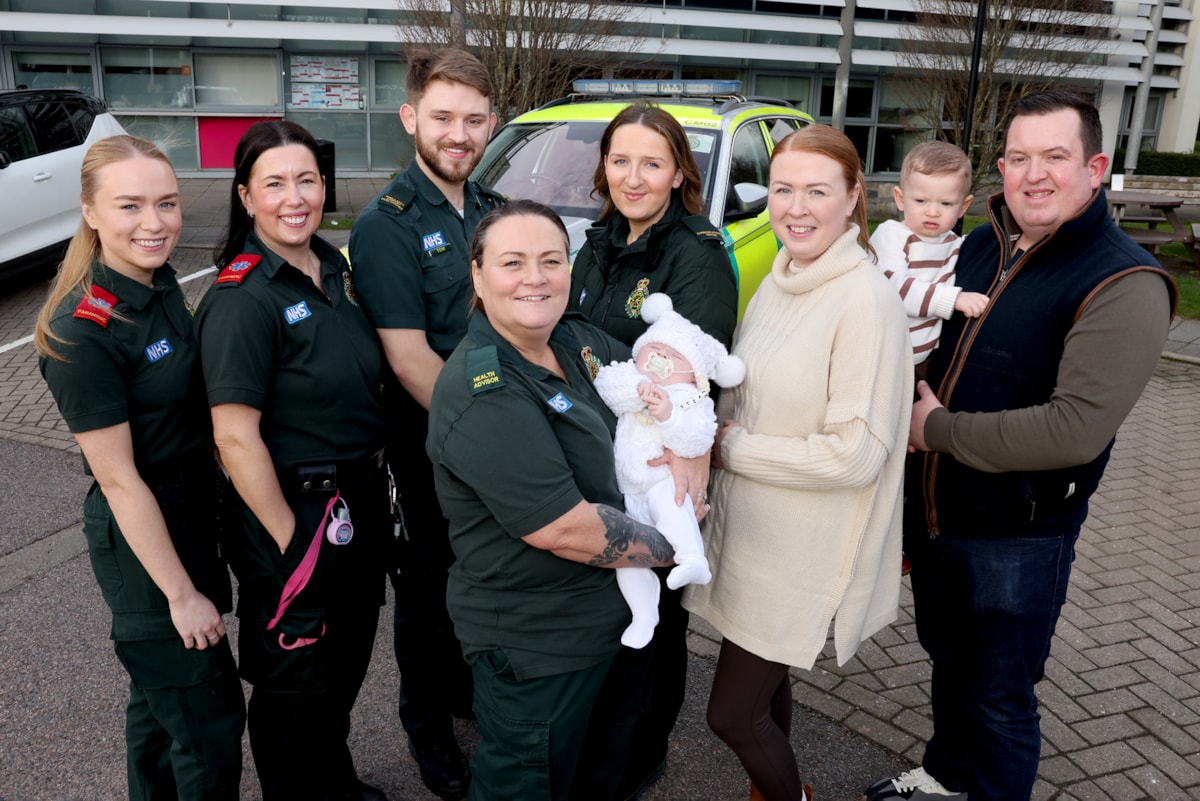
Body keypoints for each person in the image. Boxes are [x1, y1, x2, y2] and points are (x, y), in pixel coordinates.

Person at [864, 89, 1177, 801]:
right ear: (1000, 168)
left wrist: (934, 430)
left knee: (1001, 696)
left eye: (1056, 157)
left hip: (1018, 536)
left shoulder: (1123, 280)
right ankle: (946, 777)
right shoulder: (976, 245)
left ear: (1095, 168)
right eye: (1020, 158)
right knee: (950, 663)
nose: (1035, 175)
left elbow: (1073, 428)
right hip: (942, 515)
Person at [684, 124, 913, 801]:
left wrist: (724, 446)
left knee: (730, 712)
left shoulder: (863, 300)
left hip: (800, 550)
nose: (796, 207)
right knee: (766, 691)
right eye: (782, 189)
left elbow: (856, 454)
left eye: (817, 190)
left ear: (852, 201)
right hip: (753, 534)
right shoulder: (780, 277)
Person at [426, 199, 678, 801]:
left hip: (613, 626)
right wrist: (676, 546)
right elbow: (564, 530)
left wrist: (690, 449)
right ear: (478, 276)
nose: (535, 277)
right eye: (512, 262)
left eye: (550, 260)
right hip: (541, 646)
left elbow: (659, 386)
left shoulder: (572, 340)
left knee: (601, 778)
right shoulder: (483, 388)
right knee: (527, 786)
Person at [36, 135, 245, 799]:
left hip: (190, 514)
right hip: (146, 546)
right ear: (91, 211)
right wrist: (180, 595)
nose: (154, 223)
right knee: (207, 724)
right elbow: (120, 479)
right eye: (130, 205)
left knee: (159, 716)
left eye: (167, 203)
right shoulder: (82, 328)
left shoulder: (158, 287)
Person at [194, 120, 390, 801]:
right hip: (292, 512)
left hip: (357, 501)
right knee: (293, 686)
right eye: (274, 183)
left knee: (343, 665)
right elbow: (233, 437)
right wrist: (288, 537)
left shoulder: (331, 267)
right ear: (247, 197)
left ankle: (330, 781)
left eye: (306, 179)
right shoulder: (242, 298)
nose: (295, 196)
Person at [568, 101, 737, 799]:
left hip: (654, 467)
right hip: (596, 459)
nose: (633, 177)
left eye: (651, 163)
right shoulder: (597, 238)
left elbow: (693, 376)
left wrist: (696, 455)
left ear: (677, 174)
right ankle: (603, 745)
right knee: (613, 612)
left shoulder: (694, 252)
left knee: (652, 624)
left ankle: (636, 759)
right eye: (620, 160)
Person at [348, 48, 504, 800]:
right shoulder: (388, 223)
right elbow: (410, 359)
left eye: (473, 120)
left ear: (491, 125)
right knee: (427, 593)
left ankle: (461, 692)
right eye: (443, 117)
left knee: (474, 581)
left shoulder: (490, 209)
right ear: (411, 117)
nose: (458, 133)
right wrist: (495, 439)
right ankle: (427, 729)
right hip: (428, 450)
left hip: (487, 436)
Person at [593, 293, 744, 649]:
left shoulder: (692, 398)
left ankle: (692, 559)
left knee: (673, 506)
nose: (660, 359)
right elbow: (606, 384)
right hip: (629, 488)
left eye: (674, 356)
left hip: (663, 482)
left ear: (693, 372)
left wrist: (669, 415)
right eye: (654, 350)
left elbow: (697, 439)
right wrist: (638, 390)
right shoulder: (632, 375)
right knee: (626, 560)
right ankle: (644, 614)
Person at [869, 140, 987, 370]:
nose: (932, 212)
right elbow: (894, 290)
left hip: (924, 360)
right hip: (881, 356)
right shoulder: (891, 235)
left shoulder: (955, 244)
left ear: (964, 207)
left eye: (946, 203)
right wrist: (954, 299)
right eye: (921, 201)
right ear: (901, 199)